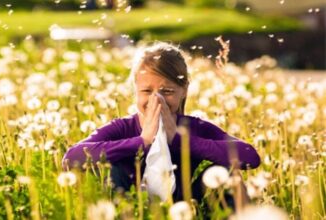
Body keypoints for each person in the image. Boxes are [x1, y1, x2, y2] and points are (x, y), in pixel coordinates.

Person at [62, 42, 260, 203]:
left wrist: (181, 140)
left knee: (227, 174)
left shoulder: (193, 127)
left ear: (183, 91)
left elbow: (250, 157)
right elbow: (71, 158)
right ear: (135, 90)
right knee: (112, 171)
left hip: (184, 206)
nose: (157, 100)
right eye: (147, 91)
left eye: (167, 91)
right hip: (129, 205)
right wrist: (142, 141)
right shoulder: (122, 127)